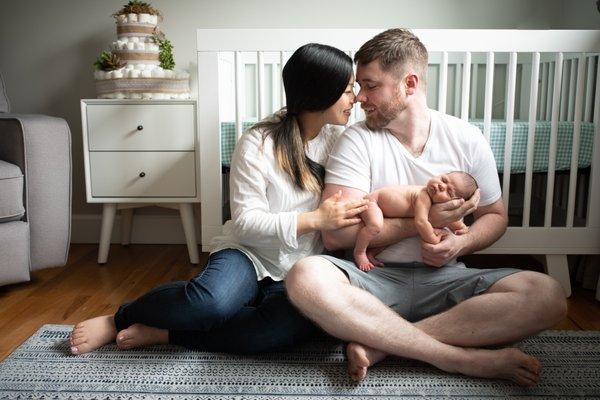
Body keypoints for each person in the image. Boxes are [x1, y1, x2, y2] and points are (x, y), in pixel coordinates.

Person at [285, 29, 567, 387]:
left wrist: (460, 244)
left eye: (370, 86)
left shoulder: (465, 138)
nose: (359, 98)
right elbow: (335, 233)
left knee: (548, 295)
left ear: (410, 83)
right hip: (373, 279)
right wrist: (425, 222)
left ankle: (383, 345)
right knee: (306, 276)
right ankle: (458, 358)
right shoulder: (357, 140)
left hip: (445, 280)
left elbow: (495, 217)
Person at [68, 43, 372, 355]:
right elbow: (246, 222)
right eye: (348, 90)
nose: (356, 99)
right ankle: (119, 318)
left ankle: (168, 333)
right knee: (209, 302)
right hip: (248, 254)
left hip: (302, 265)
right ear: (319, 92)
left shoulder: (341, 140)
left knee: (280, 331)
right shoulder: (258, 142)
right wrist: (315, 220)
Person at [354, 171, 476, 271]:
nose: (441, 185)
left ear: (454, 202)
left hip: (387, 212)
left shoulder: (435, 203)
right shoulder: (424, 195)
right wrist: (433, 238)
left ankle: (371, 254)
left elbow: (448, 219)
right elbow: (421, 222)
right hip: (373, 202)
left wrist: (460, 227)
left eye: (448, 191)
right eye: (443, 179)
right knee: (375, 226)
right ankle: (359, 252)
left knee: (393, 237)